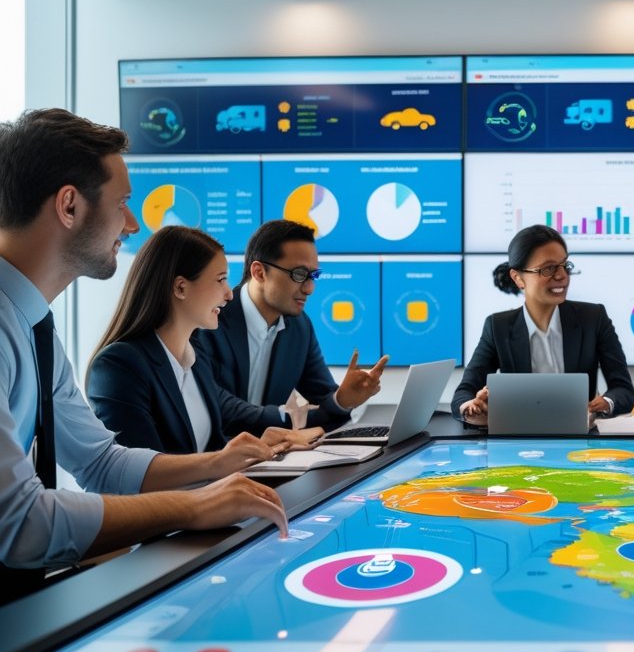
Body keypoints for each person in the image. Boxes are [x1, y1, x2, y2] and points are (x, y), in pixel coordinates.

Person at [0, 108, 289, 604]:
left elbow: (103, 463)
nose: (132, 224)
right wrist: (193, 507)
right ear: (69, 206)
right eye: (123, 203)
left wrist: (216, 466)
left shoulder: (35, 328)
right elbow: (20, 524)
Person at [87, 225, 323, 455]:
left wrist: (261, 446)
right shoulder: (119, 365)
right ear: (181, 287)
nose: (230, 294)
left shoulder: (194, 361)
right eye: (220, 280)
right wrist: (227, 462)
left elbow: (212, 449)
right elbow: (140, 476)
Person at [193, 220, 388, 435]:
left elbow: (324, 398)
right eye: (299, 275)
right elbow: (218, 406)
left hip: (268, 458)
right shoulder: (209, 320)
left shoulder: (299, 327)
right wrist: (292, 418)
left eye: (313, 276)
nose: (310, 288)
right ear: (259, 273)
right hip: (213, 458)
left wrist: (344, 399)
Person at [453, 224, 634, 424]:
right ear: (518, 278)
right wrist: (471, 408)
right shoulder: (498, 327)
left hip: (581, 438)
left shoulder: (593, 318)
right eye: (548, 269)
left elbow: (623, 390)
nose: (562, 276)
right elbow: (464, 393)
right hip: (520, 437)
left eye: (565, 265)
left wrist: (606, 403)